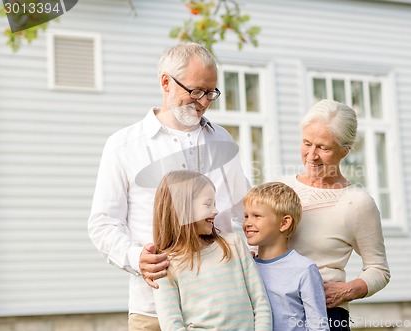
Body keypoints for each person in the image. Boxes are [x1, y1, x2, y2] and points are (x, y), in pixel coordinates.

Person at [88, 42, 249, 331]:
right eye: (196, 91)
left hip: (224, 308)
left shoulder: (222, 140)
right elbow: (103, 223)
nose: (204, 101)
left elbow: (246, 212)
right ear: (166, 82)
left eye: (211, 92)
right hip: (155, 309)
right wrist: (137, 258)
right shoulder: (123, 145)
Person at [278, 99, 390, 331]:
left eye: (323, 147)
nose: (311, 155)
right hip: (276, 308)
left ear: (345, 150)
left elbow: (379, 269)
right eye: (307, 143)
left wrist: (349, 289)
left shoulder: (357, 203)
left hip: (326, 313)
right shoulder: (280, 189)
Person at [152, 170, 272, 331]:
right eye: (208, 204)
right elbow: (172, 326)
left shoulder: (234, 244)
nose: (215, 211)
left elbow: (260, 302)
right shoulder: (165, 266)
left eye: (215, 204)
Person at [243, 182, 329, 331]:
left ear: (284, 223)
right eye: (246, 216)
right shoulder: (246, 266)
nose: (247, 223)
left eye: (257, 216)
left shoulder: (304, 269)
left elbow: (318, 326)